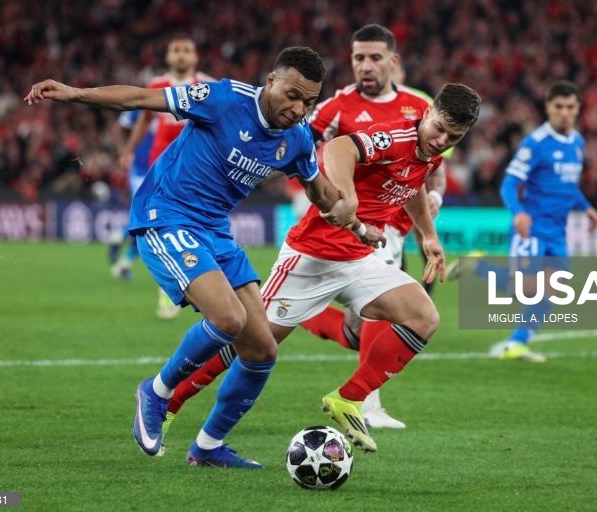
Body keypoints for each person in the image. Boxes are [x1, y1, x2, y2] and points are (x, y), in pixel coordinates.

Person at [24, 46, 381, 468]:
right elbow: (141, 98)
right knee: (229, 319)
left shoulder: (297, 139)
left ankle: (208, 447)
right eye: (292, 95)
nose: (298, 108)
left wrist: (355, 224)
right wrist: (74, 93)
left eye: (308, 101)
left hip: (215, 232)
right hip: (166, 217)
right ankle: (156, 392)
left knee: (262, 348)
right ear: (271, 81)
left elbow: (320, 193)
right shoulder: (225, 99)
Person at [154, 83, 481, 453]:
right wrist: (349, 194)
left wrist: (428, 236)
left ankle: (349, 399)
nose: (441, 140)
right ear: (428, 113)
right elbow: (338, 148)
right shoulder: (396, 136)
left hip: (359, 259)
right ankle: (170, 403)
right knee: (248, 342)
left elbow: (415, 182)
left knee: (424, 317)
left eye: (452, 136)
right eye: (438, 128)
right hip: (311, 257)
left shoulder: (429, 153)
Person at [472, 81, 597, 362]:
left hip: (558, 232)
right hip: (531, 229)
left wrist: (586, 207)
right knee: (527, 288)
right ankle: (478, 266)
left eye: (570, 107)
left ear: (578, 109)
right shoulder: (536, 143)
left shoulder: (577, 142)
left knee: (555, 290)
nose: (564, 113)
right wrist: (518, 212)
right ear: (548, 108)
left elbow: (567, 185)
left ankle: (518, 343)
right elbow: (509, 183)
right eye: (558, 107)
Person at [117, 36, 213, 319]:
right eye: (176, 50)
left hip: (197, 170)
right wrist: (129, 151)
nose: (181, 55)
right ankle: (168, 289)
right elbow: (145, 120)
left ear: (195, 57)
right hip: (159, 167)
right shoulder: (157, 85)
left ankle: (199, 284)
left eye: (186, 50)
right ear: (168, 57)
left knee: (195, 228)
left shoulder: (207, 86)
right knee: (159, 227)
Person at [108, 109, 156, 281]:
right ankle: (122, 247)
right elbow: (117, 128)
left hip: (160, 172)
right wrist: (124, 151)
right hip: (140, 172)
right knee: (148, 222)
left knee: (152, 224)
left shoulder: (175, 106)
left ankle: (120, 240)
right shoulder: (144, 106)